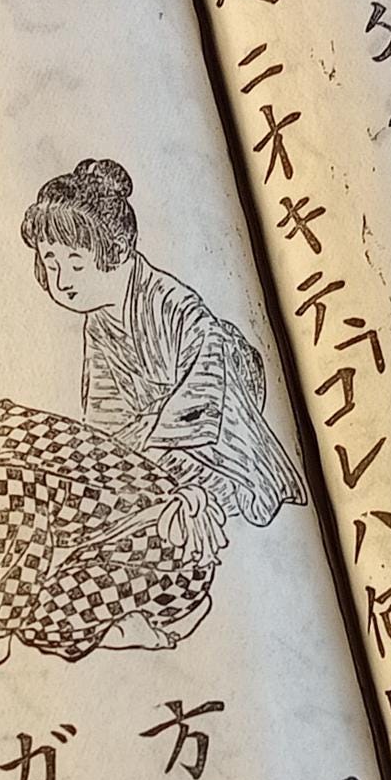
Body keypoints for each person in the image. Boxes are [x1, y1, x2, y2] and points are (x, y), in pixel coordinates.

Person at [22, 157, 307, 537]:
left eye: (75, 263)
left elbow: (207, 393)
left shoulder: (170, 303)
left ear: (117, 249)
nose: (62, 281)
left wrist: (148, 450)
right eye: (51, 262)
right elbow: (106, 421)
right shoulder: (100, 321)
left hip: (212, 446)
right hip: (158, 445)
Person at [0, 360, 221, 678]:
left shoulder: (0, 470)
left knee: (39, 619)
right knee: (45, 592)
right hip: (175, 551)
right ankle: (164, 611)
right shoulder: (14, 424)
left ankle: (151, 627)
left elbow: (12, 560)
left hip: (166, 565)